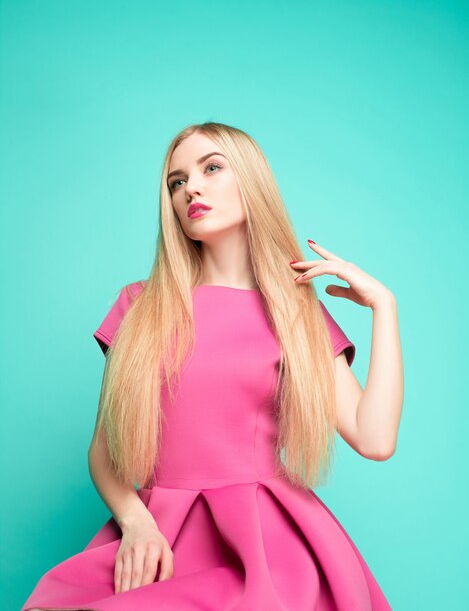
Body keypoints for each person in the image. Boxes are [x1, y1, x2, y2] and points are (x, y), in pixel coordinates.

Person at [22, 121, 403, 610]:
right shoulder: (139, 305)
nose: (191, 189)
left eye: (212, 168)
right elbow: (104, 450)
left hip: (268, 549)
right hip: (158, 536)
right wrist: (137, 524)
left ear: (251, 181)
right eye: (176, 181)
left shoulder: (296, 313)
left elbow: (374, 439)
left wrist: (384, 308)